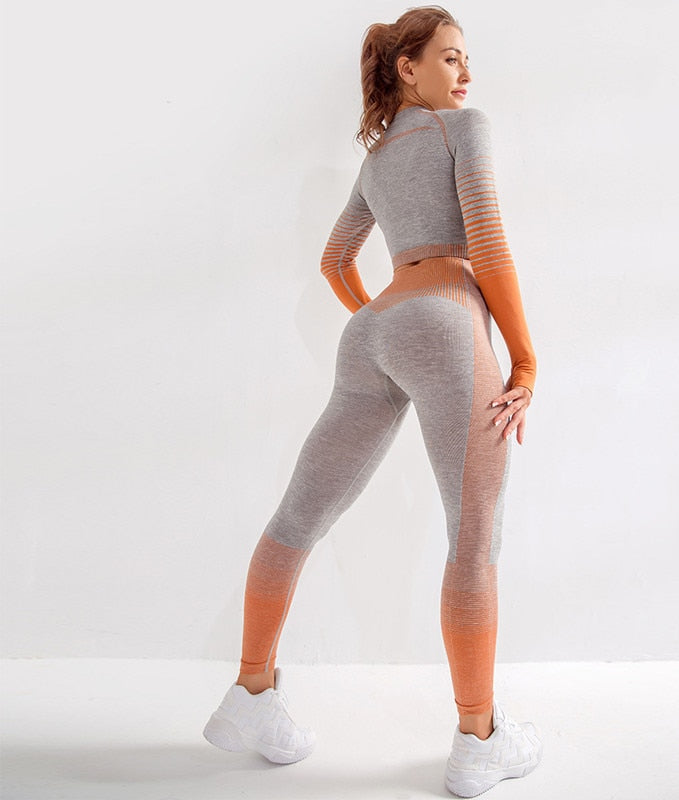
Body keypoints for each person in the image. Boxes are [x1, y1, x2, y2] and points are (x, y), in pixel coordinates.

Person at [202, 6, 543, 796]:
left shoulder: (378, 157)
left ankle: (251, 692)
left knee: (296, 519)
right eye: (450, 57)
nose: (466, 72)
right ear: (407, 68)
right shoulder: (466, 128)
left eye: (467, 58)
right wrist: (525, 359)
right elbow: (488, 241)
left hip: (372, 332)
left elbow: (335, 261)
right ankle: (478, 737)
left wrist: (384, 321)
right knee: (474, 542)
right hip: (446, 320)